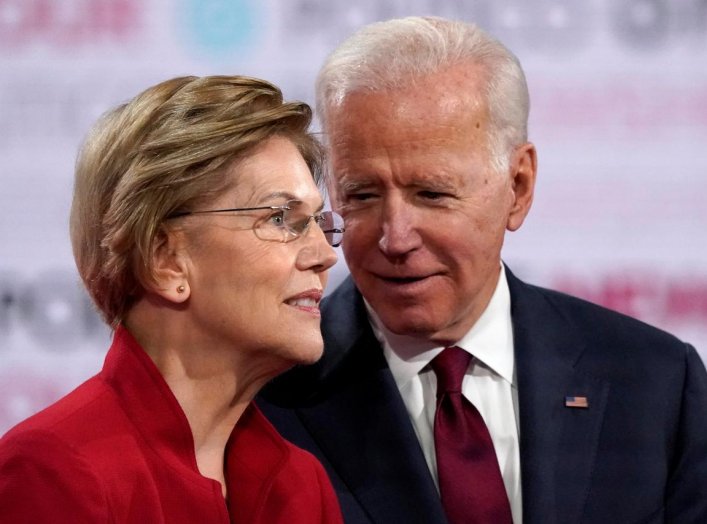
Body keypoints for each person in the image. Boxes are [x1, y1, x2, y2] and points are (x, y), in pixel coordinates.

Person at [257, 16, 707, 524]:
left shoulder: (653, 382)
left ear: (518, 186)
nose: (395, 237)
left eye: (432, 194)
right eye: (361, 195)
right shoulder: (264, 396)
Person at [0, 75, 345, 523]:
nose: (324, 256)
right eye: (281, 218)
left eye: (319, 222)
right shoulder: (55, 471)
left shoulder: (301, 485)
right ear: (166, 259)